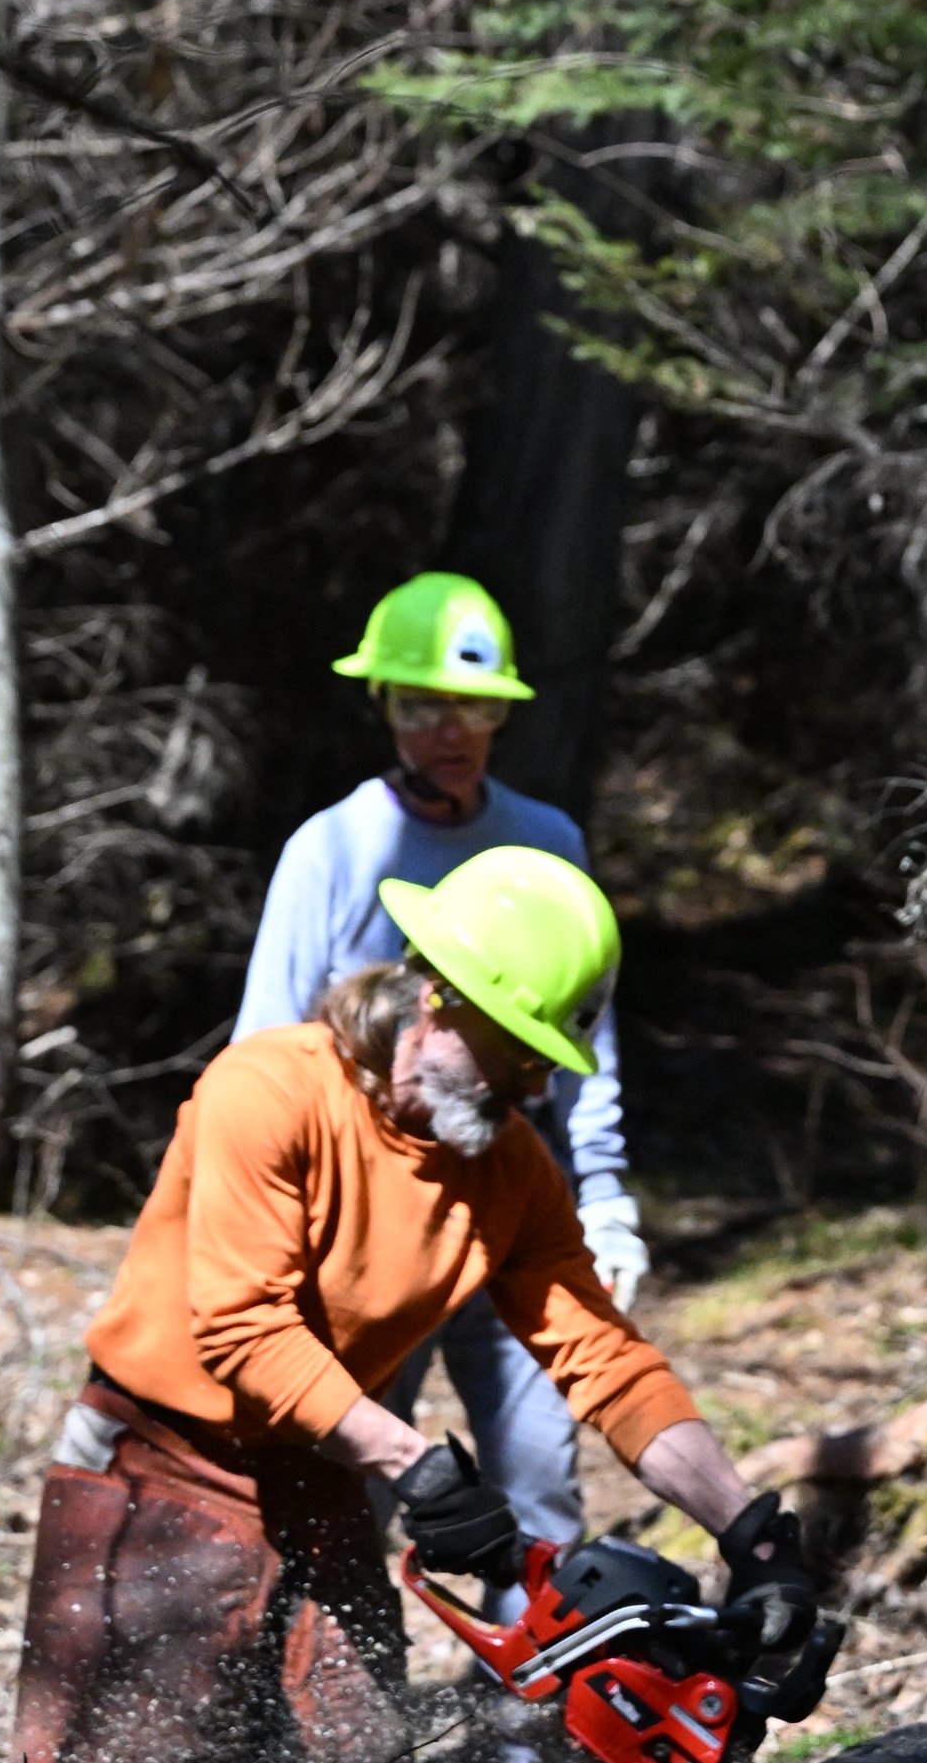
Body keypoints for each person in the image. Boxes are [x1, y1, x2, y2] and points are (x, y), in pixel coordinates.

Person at [0, 845, 815, 1763]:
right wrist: (411, 1457)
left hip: (320, 1484)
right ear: (435, 999)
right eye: (512, 1045)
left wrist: (750, 1525)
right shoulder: (272, 1091)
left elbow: (601, 1352)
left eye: (551, 1053)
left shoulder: (507, 1162)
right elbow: (241, 1320)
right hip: (160, 1470)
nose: (531, 1079)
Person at [234, 571, 643, 1577]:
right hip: (368, 1221)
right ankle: (336, 1719)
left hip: (510, 1200)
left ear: (499, 712)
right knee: (356, 1481)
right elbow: (261, 1052)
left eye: (469, 706)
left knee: (541, 1479)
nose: (446, 730)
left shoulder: (549, 842)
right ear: (385, 706)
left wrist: (604, 1194)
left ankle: (534, 1731)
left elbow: (585, 1038)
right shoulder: (331, 850)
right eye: (421, 705)